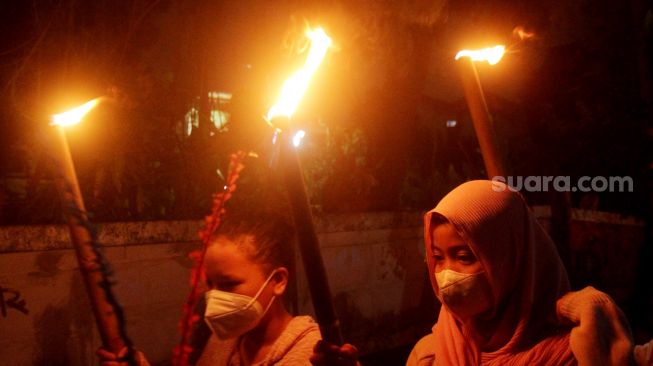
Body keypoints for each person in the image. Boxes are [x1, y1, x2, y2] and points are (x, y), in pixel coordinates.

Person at [312, 180, 643, 365]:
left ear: (511, 261)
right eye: (438, 257)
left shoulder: (578, 355)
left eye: (464, 255)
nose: (446, 275)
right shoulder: (431, 355)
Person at [98, 210, 321, 366]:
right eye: (211, 284)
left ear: (278, 280)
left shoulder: (315, 355)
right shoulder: (222, 344)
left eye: (229, 284)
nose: (214, 297)